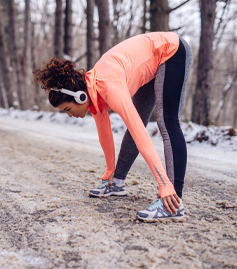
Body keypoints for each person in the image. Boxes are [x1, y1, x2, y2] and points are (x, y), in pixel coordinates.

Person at [33, 32, 192, 222]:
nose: (69, 114)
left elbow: (140, 134)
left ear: (80, 97)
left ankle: (174, 201)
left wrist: (163, 183)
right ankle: (116, 183)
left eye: (67, 108)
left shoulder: (108, 86)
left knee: (167, 122)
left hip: (171, 52)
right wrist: (110, 170)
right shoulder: (93, 92)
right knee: (138, 120)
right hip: (152, 65)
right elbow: (105, 134)